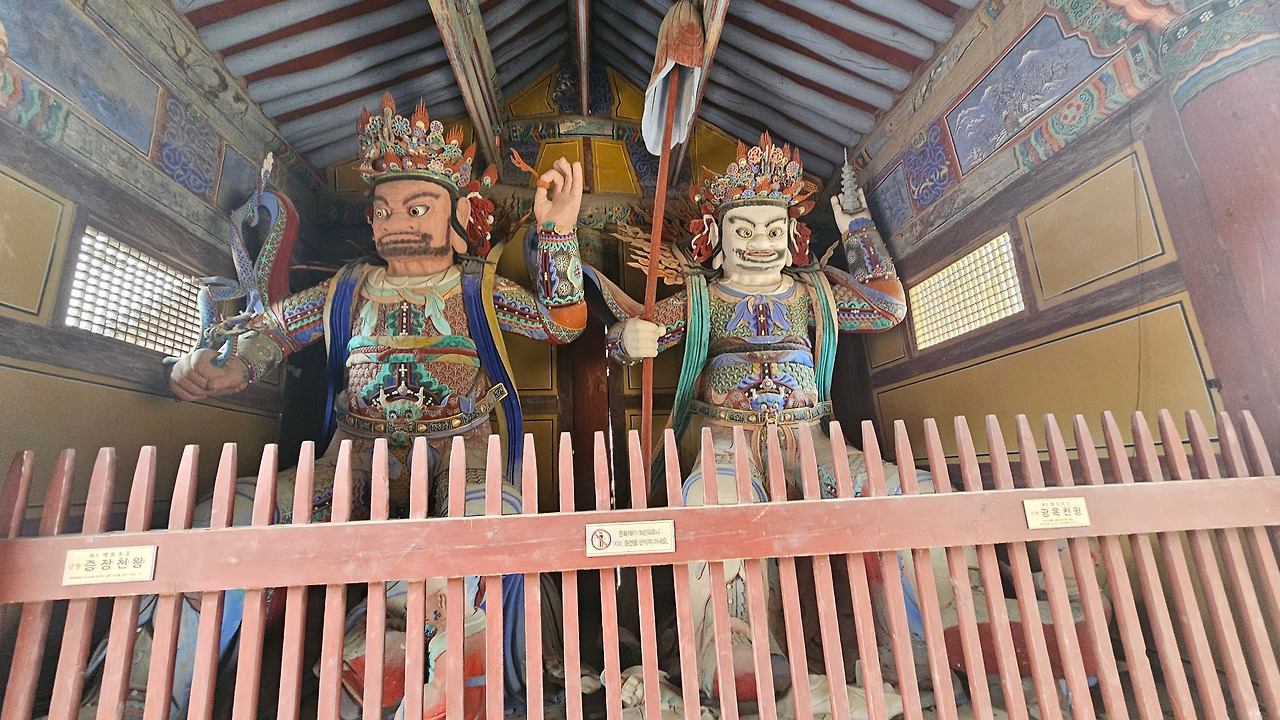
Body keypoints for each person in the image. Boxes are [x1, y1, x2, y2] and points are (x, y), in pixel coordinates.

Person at [122, 92, 587, 718]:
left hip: (461, 463)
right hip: (353, 466)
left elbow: (560, 323)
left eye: (418, 206)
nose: (397, 221)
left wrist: (557, 233)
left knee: (476, 533)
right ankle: (145, 691)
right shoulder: (347, 289)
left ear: (458, 214)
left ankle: (440, 686)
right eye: (384, 209)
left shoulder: (477, 289)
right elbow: (273, 331)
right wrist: (217, 367)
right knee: (227, 517)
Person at [585, 133, 918, 717]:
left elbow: (886, 306)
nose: (760, 243)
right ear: (715, 241)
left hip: (809, 439)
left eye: (772, 230)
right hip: (726, 439)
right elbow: (633, 336)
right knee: (718, 505)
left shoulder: (813, 294)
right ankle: (733, 638)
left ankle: (930, 621)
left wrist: (859, 230)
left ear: (791, 239)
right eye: (743, 230)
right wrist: (626, 340)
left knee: (890, 486)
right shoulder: (702, 299)